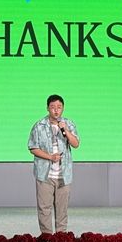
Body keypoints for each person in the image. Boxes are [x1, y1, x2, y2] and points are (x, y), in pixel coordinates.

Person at [27, 94, 80, 234]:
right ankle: (47, 238)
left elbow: (75, 144)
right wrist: (50, 157)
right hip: (45, 174)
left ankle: (61, 238)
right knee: (44, 208)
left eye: (59, 107)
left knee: (62, 209)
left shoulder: (68, 124)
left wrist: (65, 130)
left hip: (64, 175)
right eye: (52, 107)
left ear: (63, 108)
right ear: (47, 108)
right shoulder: (39, 126)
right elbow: (33, 147)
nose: (56, 110)